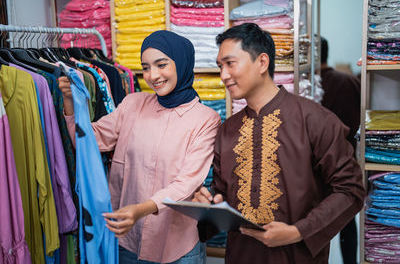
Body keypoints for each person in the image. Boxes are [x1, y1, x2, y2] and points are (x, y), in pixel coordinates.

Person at [192, 23, 366, 263]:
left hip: (297, 257)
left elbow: (350, 190)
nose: (223, 75)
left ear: (262, 62)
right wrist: (208, 203)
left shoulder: (316, 120)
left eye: (230, 64)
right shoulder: (227, 130)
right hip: (241, 256)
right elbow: (222, 192)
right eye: (220, 66)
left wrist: (298, 232)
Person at [59, 30, 221, 263]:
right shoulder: (133, 104)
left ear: (182, 63)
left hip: (176, 244)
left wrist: (140, 210)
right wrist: (70, 104)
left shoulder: (205, 119)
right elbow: (86, 141)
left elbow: (186, 183)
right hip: (128, 238)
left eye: (161, 64)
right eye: (146, 67)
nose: (153, 75)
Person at [320, 36, 361, 264]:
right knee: (347, 220)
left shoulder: (309, 86)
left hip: (315, 165)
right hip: (346, 161)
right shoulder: (349, 82)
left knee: (313, 222)